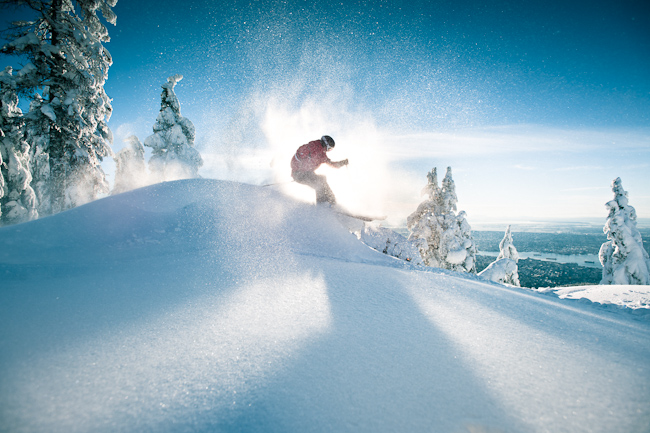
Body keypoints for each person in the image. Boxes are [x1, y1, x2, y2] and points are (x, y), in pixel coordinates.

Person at [291, 135, 349, 205]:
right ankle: (322, 204)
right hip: (299, 173)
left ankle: (332, 201)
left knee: (322, 178)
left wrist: (342, 163)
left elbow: (332, 164)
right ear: (326, 145)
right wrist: (298, 170)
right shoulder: (311, 147)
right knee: (319, 182)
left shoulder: (322, 155)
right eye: (329, 148)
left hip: (307, 173)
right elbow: (297, 157)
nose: (329, 150)